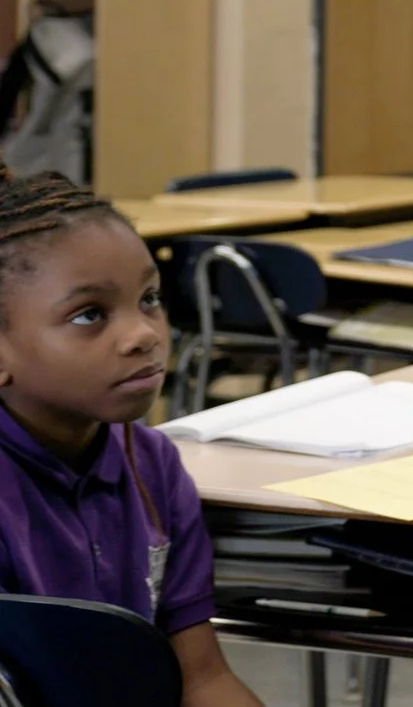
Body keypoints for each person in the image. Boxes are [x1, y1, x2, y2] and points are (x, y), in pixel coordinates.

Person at [0, 169, 263, 707]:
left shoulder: (152, 463)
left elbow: (202, 678)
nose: (145, 334)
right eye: (89, 315)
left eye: (149, 298)